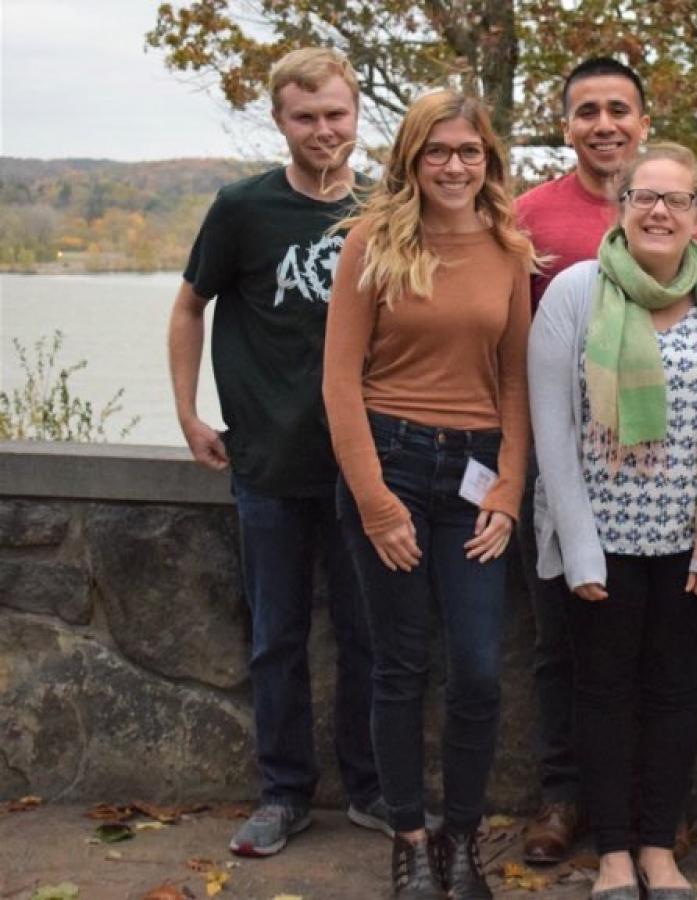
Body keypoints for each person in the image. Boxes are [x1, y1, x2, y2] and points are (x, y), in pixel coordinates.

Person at [512, 56, 697, 864]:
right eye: (644, 197)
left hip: (689, 534)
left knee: (676, 691)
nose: (659, 211)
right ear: (623, 205)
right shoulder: (573, 287)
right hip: (600, 534)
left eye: (675, 199)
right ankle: (607, 844)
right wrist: (574, 543)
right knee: (593, 686)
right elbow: (552, 426)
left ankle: (655, 846)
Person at [166, 46, 384, 858]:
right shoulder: (242, 209)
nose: (323, 131)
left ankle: (369, 788)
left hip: (368, 467)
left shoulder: (385, 209)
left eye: (335, 114)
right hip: (268, 463)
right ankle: (284, 793)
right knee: (277, 636)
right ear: (280, 120)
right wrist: (189, 414)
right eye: (306, 117)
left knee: (371, 637)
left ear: (356, 114)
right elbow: (190, 308)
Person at [323, 89, 535, 899]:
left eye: (468, 152)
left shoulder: (509, 248)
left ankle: (462, 839)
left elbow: (514, 381)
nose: (454, 165)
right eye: (437, 151)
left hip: (476, 474)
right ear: (412, 160)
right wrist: (376, 501)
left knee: (478, 671)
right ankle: (409, 840)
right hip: (391, 461)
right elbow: (340, 383)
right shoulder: (372, 242)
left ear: (489, 162)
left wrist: (509, 490)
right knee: (399, 664)